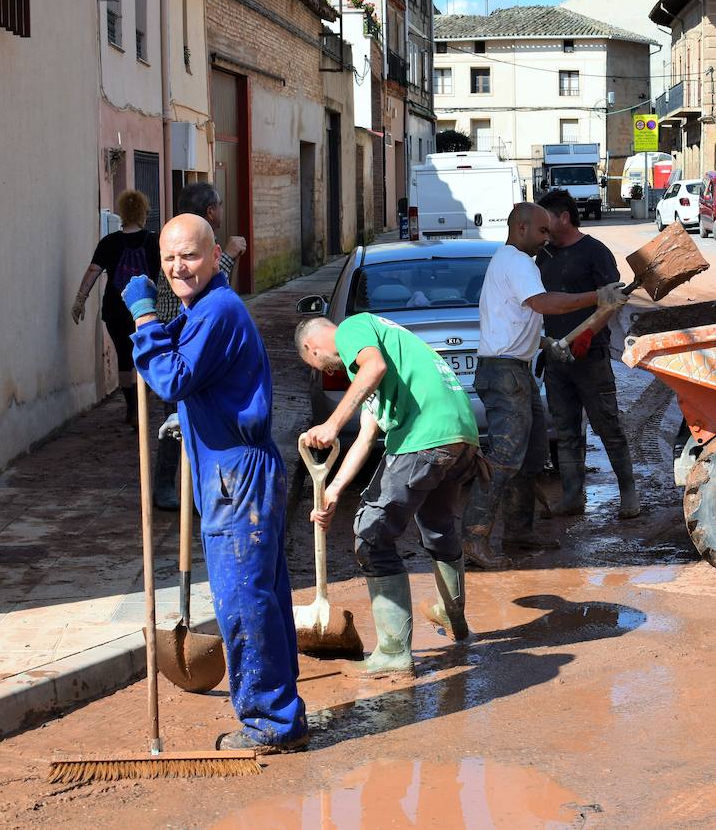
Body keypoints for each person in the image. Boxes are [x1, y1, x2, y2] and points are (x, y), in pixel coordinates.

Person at [123, 213, 307, 754]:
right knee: (261, 597)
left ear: (213, 257)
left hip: (236, 475)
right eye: (169, 259)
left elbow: (172, 375)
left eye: (190, 256)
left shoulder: (220, 309)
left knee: (242, 600)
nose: (179, 267)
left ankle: (269, 722)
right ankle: (281, 714)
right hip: (231, 471)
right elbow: (187, 367)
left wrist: (140, 319)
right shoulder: (201, 309)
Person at [297, 313, 481, 678]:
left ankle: (394, 653)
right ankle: (453, 613)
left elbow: (373, 368)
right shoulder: (384, 342)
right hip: (460, 436)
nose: (323, 368)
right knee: (438, 525)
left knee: (372, 536)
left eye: (314, 364)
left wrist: (332, 424)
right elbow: (367, 436)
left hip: (423, 437)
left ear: (312, 348)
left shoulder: (352, 330)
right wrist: (332, 490)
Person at [461, 203, 629, 569]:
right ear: (521, 228)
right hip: (505, 374)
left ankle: (518, 532)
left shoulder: (507, 262)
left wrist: (544, 343)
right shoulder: (518, 262)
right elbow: (543, 303)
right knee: (504, 461)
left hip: (513, 371)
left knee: (532, 455)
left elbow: (514, 318)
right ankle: (473, 539)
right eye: (541, 232)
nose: (546, 240)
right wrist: (596, 296)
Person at [535, 188, 640, 519]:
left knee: (608, 425)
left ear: (564, 217)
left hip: (590, 356)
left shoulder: (595, 252)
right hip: (555, 356)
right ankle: (572, 496)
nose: (543, 227)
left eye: (546, 219)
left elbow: (613, 300)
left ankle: (628, 495)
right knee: (565, 432)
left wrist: (589, 333)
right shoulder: (544, 256)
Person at [151, 182, 245, 509]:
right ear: (209, 211)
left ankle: (193, 491)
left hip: (191, 344)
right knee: (176, 421)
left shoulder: (195, 241)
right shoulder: (187, 245)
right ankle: (166, 488)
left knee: (189, 419)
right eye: (218, 205)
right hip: (179, 346)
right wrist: (230, 255)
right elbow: (200, 290)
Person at [70, 189, 160, 429]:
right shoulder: (153, 241)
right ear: (143, 212)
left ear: (121, 213)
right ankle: (141, 404)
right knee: (145, 356)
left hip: (115, 309)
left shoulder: (109, 242)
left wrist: (80, 300)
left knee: (123, 355)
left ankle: (131, 407)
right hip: (145, 310)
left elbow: (93, 271)